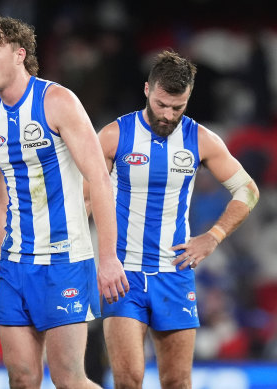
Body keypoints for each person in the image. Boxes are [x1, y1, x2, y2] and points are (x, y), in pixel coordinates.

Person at [0, 15, 128, 388]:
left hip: (65, 261)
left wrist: (108, 257)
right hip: (14, 265)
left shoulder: (56, 101)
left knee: (69, 380)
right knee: (21, 379)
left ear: (20, 54)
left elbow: (100, 179)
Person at [90, 50, 260, 388]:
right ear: (147, 90)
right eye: (161, 104)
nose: (167, 115)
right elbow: (83, 197)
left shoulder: (201, 140)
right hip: (124, 275)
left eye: (177, 107)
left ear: (188, 99)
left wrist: (213, 236)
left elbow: (248, 191)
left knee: (178, 382)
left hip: (175, 274)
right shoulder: (112, 136)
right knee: (127, 380)